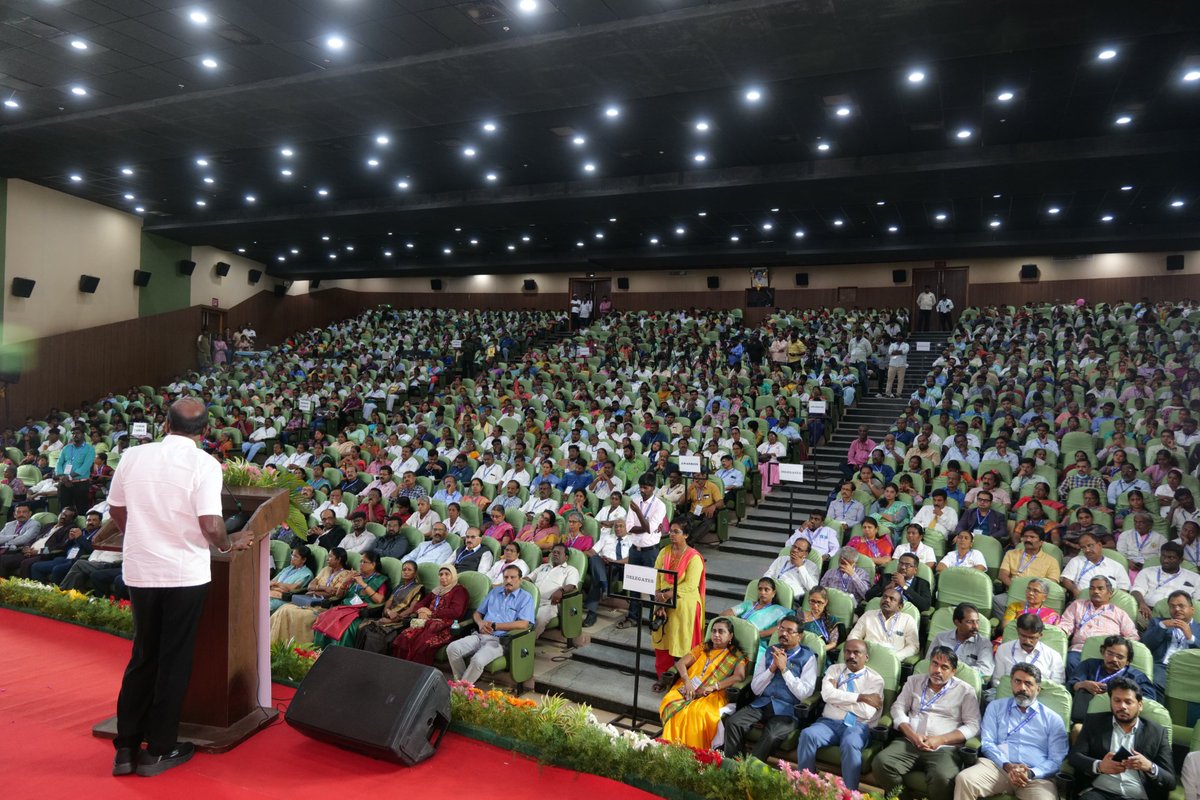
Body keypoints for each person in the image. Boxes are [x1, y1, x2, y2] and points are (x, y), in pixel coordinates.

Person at [107, 397, 249, 777]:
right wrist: (227, 544)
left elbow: (117, 510)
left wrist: (140, 535)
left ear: (165, 425)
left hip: (141, 568)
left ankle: (124, 749)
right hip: (184, 574)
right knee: (174, 660)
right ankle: (159, 749)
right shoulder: (204, 462)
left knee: (142, 656)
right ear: (205, 433)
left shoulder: (133, 456)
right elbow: (211, 524)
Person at [874, 645, 982, 800]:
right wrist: (911, 734)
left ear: (953, 671)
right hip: (909, 742)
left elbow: (973, 725)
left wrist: (941, 739)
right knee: (881, 763)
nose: (937, 670)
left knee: (943, 777)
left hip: (944, 748)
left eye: (944, 667)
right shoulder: (914, 681)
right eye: (935, 664)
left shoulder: (965, 691)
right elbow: (898, 708)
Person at [954, 662, 1068, 800]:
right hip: (998, 768)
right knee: (965, 779)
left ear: (1038, 689)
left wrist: (1031, 773)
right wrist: (1007, 765)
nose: (1022, 688)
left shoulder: (1053, 719)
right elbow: (988, 742)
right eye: (1017, 682)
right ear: (1012, 684)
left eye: (1028, 683)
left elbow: (1055, 760)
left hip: (1035, 777)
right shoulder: (995, 707)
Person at [721, 615, 817, 760]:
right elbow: (755, 688)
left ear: (800, 636)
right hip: (762, 703)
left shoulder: (808, 657)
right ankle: (736, 763)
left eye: (790, 631)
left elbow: (804, 693)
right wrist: (771, 669)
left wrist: (784, 670)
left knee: (771, 735)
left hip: (788, 710)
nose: (784, 634)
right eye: (782, 629)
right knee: (733, 722)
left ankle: (750, 771)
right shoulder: (769, 651)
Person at [795, 639, 883, 790]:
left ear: (866, 657)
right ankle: (804, 787)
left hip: (857, 725)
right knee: (807, 734)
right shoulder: (834, 670)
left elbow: (866, 712)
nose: (851, 656)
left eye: (857, 652)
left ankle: (849, 794)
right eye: (847, 652)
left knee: (850, 743)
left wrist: (837, 697)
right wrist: (859, 697)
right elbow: (826, 695)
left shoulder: (875, 680)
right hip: (828, 723)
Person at [1067, 677, 1176, 800]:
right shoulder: (1094, 722)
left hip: (1138, 796)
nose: (1122, 706)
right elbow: (1074, 757)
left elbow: (1170, 781)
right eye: (1117, 701)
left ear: (1140, 705)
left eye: (1128, 702)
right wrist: (1100, 766)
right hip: (1100, 793)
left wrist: (1149, 766)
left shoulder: (1156, 732)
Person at [657, 617, 748, 748]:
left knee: (697, 713)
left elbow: (739, 676)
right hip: (688, 687)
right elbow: (681, 663)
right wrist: (687, 681)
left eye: (721, 631)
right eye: (714, 631)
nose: (716, 635)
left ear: (730, 636)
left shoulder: (736, 655)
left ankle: (695, 751)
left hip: (713, 693)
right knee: (671, 701)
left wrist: (713, 686)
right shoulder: (703, 647)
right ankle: (671, 746)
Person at [446, 563, 534, 684]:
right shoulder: (494, 592)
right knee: (452, 648)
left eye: (512, 577)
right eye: (506, 577)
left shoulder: (525, 598)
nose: (508, 580)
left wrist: (495, 626)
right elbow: (477, 614)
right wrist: (481, 623)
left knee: (477, 660)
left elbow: (523, 624)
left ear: (520, 579)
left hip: (500, 641)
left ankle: (460, 691)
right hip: (480, 635)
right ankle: (462, 685)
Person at [651, 522, 707, 691]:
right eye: (670, 531)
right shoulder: (664, 551)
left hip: (685, 603)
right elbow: (658, 575)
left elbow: (690, 585)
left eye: (676, 532)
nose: (671, 535)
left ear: (686, 535)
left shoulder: (694, 557)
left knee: (681, 643)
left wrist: (667, 595)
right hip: (664, 600)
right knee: (663, 641)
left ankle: (684, 682)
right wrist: (659, 597)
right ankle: (664, 678)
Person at [1068, 634, 1156, 724]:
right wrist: (1082, 684)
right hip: (1083, 719)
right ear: (1103, 652)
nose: (1113, 659)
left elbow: (1149, 701)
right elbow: (1070, 685)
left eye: (1120, 657)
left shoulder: (1137, 677)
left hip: (1119, 720)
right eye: (1109, 653)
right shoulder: (1089, 665)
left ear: (1128, 661)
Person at [311, 550, 390, 648]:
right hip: (345, 607)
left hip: (362, 612)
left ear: (373, 564)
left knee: (346, 627)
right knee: (323, 618)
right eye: (360, 561)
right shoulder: (357, 576)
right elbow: (339, 596)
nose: (360, 564)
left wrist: (363, 584)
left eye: (364, 562)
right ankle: (319, 651)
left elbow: (379, 600)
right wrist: (345, 582)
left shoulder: (380, 579)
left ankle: (338, 655)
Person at [391, 565, 469, 665]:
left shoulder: (459, 591)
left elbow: (456, 612)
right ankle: (400, 667)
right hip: (426, 622)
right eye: (440, 574)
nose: (443, 577)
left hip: (445, 626)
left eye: (447, 574)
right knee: (403, 638)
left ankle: (417, 673)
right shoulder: (437, 590)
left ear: (453, 576)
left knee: (422, 645)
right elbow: (419, 604)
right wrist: (421, 611)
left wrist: (432, 613)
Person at [1058, 576, 1139, 672]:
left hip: (1107, 654)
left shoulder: (1119, 613)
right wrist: (1059, 631)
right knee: (1071, 661)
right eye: (1092, 588)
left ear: (1110, 592)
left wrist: (1116, 645)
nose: (1095, 591)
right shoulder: (1077, 605)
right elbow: (1065, 625)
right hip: (1080, 650)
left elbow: (1133, 636)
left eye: (1100, 588)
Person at [620, 474, 667, 629]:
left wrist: (639, 515)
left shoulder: (659, 505)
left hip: (650, 551)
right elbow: (629, 528)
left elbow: (649, 528)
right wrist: (644, 528)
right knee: (634, 586)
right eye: (640, 487)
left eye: (645, 488)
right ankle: (633, 617)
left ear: (653, 488)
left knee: (653, 585)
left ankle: (655, 618)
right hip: (635, 549)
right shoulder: (635, 501)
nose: (642, 490)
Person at [356, 560, 425, 654]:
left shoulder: (418, 588)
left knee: (377, 636)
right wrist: (388, 612)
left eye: (409, 570)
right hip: (388, 615)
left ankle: (372, 662)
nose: (406, 572)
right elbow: (388, 602)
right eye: (404, 569)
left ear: (415, 573)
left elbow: (412, 609)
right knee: (364, 629)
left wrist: (393, 619)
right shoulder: (399, 587)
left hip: (401, 620)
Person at [1139, 590, 1199, 696]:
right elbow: (1146, 646)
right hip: (1163, 666)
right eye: (1172, 606)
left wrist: (1191, 637)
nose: (1176, 609)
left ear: (1192, 609)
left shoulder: (1198, 628)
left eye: (1181, 606)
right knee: (1154, 682)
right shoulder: (1158, 623)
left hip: (1190, 668)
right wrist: (1162, 627)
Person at [720, 577, 790, 665]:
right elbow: (724, 614)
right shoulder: (748, 604)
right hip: (737, 636)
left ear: (773, 593)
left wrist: (759, 634)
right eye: (760, 589)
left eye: (766, 589)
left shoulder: (778, 611)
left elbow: (781, 627)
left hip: (756, 640)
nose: (762, 592)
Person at [995, 529, 1061, 616]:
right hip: (1012, 592)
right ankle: (1008, 626)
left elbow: (1052, 583)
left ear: (1041, 542)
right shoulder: (1011, 553)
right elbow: (1002, 574)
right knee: (996, 600)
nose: (1028, 540)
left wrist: (1032, 591)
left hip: (1035, 596)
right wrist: (1015, 588)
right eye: (1025, 537)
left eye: (1032, 537)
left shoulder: (1051, 561)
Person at [992, 613, 1066, 692]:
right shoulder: (1003, 650)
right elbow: (997, 681)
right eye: (1023, 636)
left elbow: (1057, 687)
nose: (1027, 641)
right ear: (1017, 631)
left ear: (1040, 635)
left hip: (1041, 698)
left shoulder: (1053, 656)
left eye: (1032, 637)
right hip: (1008, 695)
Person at [848, 584, 919, 660]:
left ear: (900, 607)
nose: (887, 600)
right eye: (884, 597)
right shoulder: (868, 615)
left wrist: (895, 657)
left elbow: (913, 646)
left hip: (893, 661)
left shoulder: (907, 620)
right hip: (867, 658)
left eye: (892, 599)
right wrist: (860, 653)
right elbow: (853, 636)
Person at [927, 603, 994, 682]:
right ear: (957, 622)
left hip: (966, 684)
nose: (975, 626)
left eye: (977, 622)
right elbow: (928, 661)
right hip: (938, 680)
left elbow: (986, 670)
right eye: (970, 622)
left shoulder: (984, 643)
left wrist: (954, 671)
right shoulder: (941, 638)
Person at [1132, 542, 1199, 622]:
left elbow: (1197, 601)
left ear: (1180, 560)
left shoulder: (1194, 577)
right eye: (1163, 556)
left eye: (1170, 558)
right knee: (1140, 620)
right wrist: (1142, 604)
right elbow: (1136, 590)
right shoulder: (1146, 572)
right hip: (1149, 611)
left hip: (1179, 615)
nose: (1165, 560)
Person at [527, 543, 580, 639]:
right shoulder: (543, 566)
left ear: (566, 557)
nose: (555, 554)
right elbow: (529, 578)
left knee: (540, 618)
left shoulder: (570, 570)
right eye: (554, 552)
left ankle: (527, 644)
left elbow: (571, 585)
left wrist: (561, 590)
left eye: (558, 553)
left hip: (549, 604)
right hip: (531, 601)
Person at [866, 552, 932, 612]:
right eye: (901, 563)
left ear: (915, 570)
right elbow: (868, 597)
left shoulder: (922, 583)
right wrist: (885, 589)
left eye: (907, 565)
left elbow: (925, 606)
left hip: (906, 616)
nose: (903, 567)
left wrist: (904, 586)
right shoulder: (886, 578)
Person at [764, 539, 819, 604]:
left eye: (799, 549)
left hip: (791, 599)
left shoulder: (811, 566)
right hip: (771, 593)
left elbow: (812, 588)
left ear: (806, 554)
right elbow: (767, 575)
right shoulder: (781, 559)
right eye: (794, 547)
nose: (795, 550)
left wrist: (800, 567)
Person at [268, 546, 316, 612]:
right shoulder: (288, 568)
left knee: (263, 607)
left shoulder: (307, 574)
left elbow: (292, 588)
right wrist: (280, 588)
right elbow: (271, 582)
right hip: (272, 594)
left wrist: (277, 584)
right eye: (292, 555)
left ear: (303, 560)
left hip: (285, 600)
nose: (292, 558)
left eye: (295, 556)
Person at [800, 586, 845, 653]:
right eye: (812, 601)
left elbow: (833, 643)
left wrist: (818, 650)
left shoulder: (832, 620)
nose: (815, 606)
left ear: (826, 602)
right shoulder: (800, 616)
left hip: (820, 653)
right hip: (800, 650)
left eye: (819, 602)